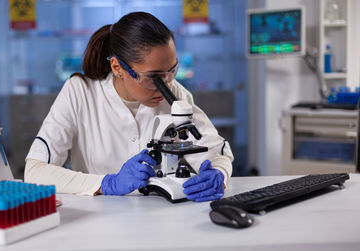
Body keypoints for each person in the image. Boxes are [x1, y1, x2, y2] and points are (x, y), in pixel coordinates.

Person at [24, 12, 234, 202]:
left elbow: (217, 152)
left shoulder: (175, 92)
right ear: (117, 67)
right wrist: (107, 183)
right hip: (98, 224)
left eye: (171, 71)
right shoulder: (80, 92)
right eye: (154, 77)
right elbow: (35, 171)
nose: (166, 85)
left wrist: (218, 174)